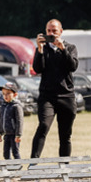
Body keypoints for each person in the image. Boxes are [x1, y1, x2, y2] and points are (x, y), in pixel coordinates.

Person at [30, 18, 79, 158]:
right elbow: (38, 69)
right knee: (44, 126)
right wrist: (39, 50)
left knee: (65, 134)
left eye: (54, 31)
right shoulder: (42, 49)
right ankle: (34, 163)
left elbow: (73, 66)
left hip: (66, 96)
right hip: (47, 96)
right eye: (48, 31)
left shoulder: (70, 48)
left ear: (61, 31)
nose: (51, 34)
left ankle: (64, 166)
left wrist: (62, 49)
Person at [0, 83, 24, 159]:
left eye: (8, 93)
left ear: (15, 95)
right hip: (6, 134)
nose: (5, 96)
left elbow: (20, 121)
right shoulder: (3, 106)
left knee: (15, 152)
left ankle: (18, 166)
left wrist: (18, 135)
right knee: (5, 153)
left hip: (14, 134)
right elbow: (0, 120)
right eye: (3, 94)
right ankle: (9, 167)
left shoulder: (16, 106)